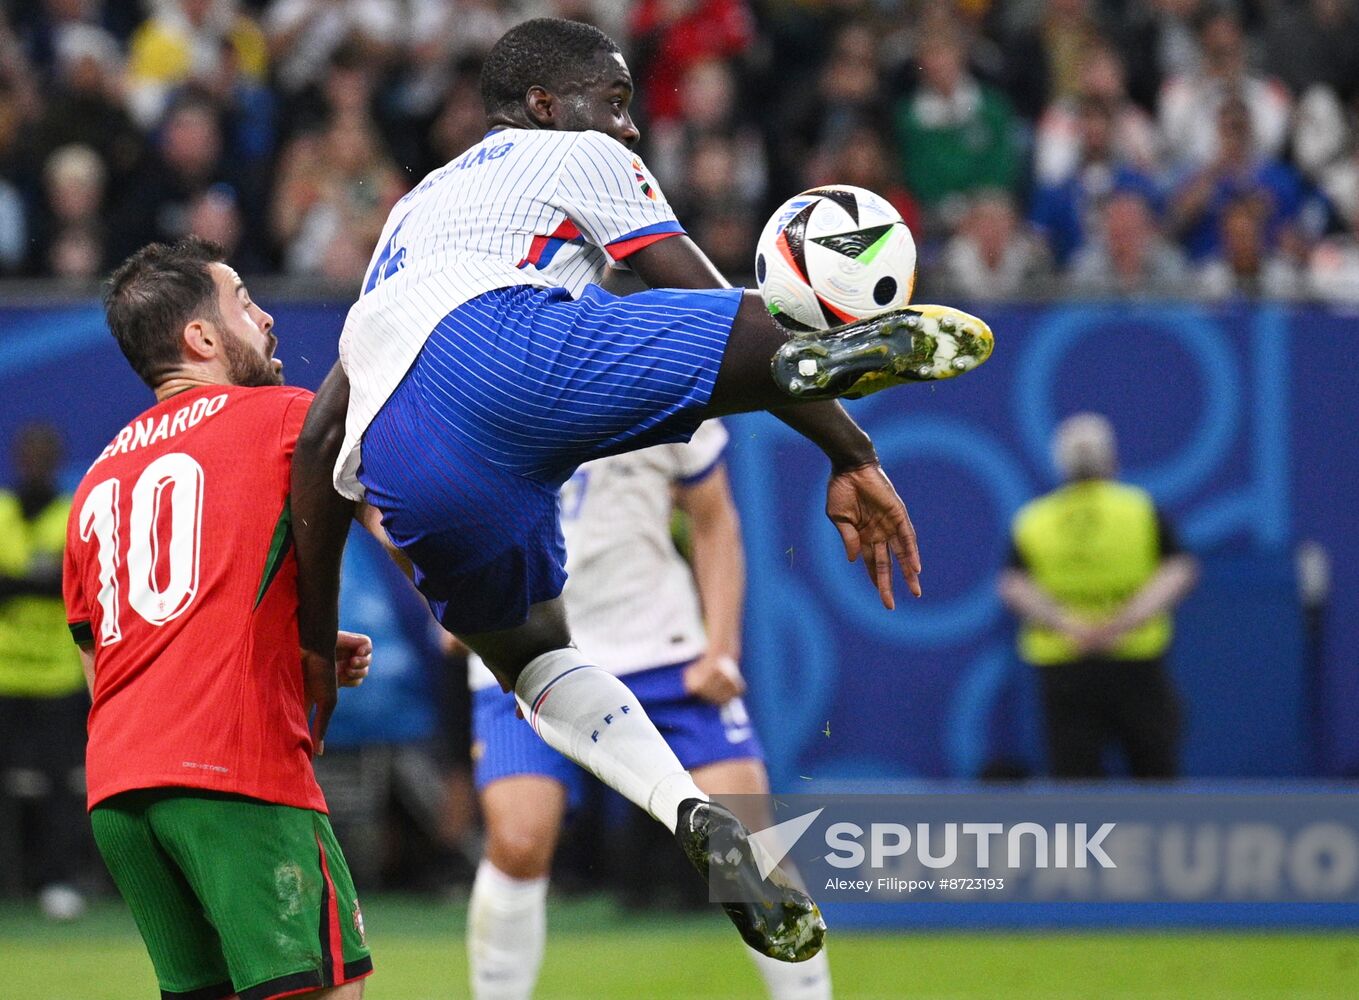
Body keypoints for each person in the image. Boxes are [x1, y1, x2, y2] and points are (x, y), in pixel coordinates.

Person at [290, 17, 994, 962]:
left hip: (405, 455)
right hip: (499, 350)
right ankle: (829, 357)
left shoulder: (406, 217)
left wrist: (305, 649)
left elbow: (317, 442)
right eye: (615, 102)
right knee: (726, 334)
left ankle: (688, 812)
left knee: (535, 661)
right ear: (545, 106)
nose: (627, 128)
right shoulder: (571, 153)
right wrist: (851, 454)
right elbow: (688, 281)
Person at [63, 238, 375, 1000]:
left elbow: (103, 659)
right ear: (200, 338)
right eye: (242, 299)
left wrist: (280, 636)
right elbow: (399, 520)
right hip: (234, 775)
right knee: (326, 988)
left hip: (121, 794)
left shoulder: (98, 475)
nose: (266, 319)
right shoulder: (282, 417)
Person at [465, 421, 832, 999]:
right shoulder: (486, 379)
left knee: (749, 835)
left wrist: (722, 649)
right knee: (517, 840)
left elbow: (714, 520)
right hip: (532, 651)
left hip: (662, 650)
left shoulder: (657, 370)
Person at [998, 413, 1198, 779]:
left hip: (1064, 659)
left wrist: (1069, 626)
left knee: (1075, 784)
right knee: (1153, 775)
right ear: (1111, 459)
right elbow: (1178, 571)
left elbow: (1015, 586)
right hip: (1134, 656)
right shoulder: (1139, 508)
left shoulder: (1034, 519)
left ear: (1059, 463)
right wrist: (1121, 624)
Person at [0, 424, 89, 919]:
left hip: (57, 676)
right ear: (17, 460)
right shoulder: (2, 513)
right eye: (27, 457)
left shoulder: (71, 514)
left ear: (54, 462)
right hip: (4, 673)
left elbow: (76, 584)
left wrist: (19, 583)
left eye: (43, 457)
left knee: (61, 785)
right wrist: (41, 581)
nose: (34, 465)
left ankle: (57, 881)